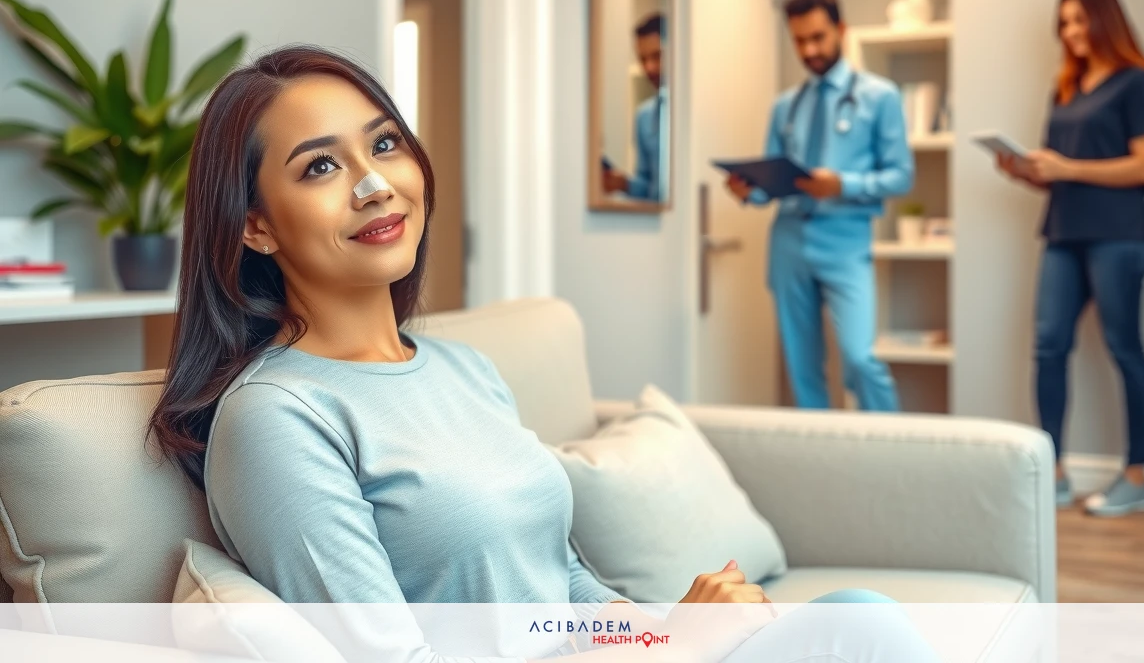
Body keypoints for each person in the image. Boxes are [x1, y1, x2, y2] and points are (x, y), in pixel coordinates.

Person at [149, 45, 936, 662]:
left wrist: (672, 634)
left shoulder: (464, 369)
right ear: (254, 225)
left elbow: (564, 586)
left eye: (384, 144)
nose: (374, 184)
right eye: (321, 166)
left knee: (858, 623)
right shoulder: (276, 419)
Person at [997, 0, 1144, 517]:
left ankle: (1136, 475)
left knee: (1124, 347)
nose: (1069, 33)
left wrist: (1067, 167)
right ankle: (1055, 472)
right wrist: (1025, 172)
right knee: (1048, 348)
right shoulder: (1065, 89)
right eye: (1062, 24)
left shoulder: (1136, 84)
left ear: (1104, 20)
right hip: (1062, 233)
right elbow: (1058, 173)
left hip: (1118, 235)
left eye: (1078, 21)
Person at [727, 0, 912, 412]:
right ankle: (822, 469)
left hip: (845, 241)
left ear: (841, 30)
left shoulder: (879, 97)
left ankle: (894, 452)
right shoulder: (785, 107)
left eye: (818, 37)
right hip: (789, 242)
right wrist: (748, 191)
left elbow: (902, 176)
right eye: (799, 40)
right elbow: (771, 182)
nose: (809, 50)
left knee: (860, 357)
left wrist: (841, 185)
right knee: (802, 369)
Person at [602, 13, 668, 202]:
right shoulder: (644, 117)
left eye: (657, 56)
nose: (650, 68)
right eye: (642, 59)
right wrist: (623, 183)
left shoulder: (698, 114)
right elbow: (648, 186)